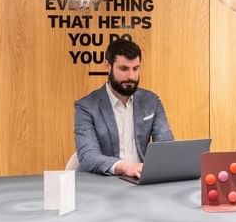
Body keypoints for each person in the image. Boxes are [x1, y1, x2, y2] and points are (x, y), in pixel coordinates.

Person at [73, 37, 173, 178]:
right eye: (124, 68)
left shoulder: (152, 101)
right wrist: (125, 167)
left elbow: (166, 146)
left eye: (135, 68)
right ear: (108, 66)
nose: (131, 76)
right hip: (104, 182)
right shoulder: (86, 107)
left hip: (141, 181)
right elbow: (88, 156)